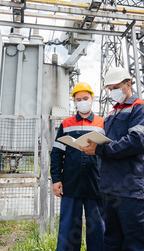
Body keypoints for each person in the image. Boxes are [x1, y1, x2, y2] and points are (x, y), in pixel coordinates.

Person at [81, 67, 144, 251]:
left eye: (115, 87)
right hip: (110, 187)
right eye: (109, 88)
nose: (112, 92)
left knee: (136, 242)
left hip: (132, 188)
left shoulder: (141, 109)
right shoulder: (111, 114)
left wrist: (100, 149)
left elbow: (135, 142)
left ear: (128, 84)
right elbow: (109, 143)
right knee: (112, 240)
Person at [50, 82, 105, 251]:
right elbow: (57, 153)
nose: (82, 101)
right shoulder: (66, 124)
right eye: (78, 99)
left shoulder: (102, 123)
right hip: (71, 183)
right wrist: (56, 179)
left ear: (92, 99)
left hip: (96, 183)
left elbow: (109, 152)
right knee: (68, 230)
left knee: (98, 229)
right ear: (74, 101)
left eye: (85, 98)